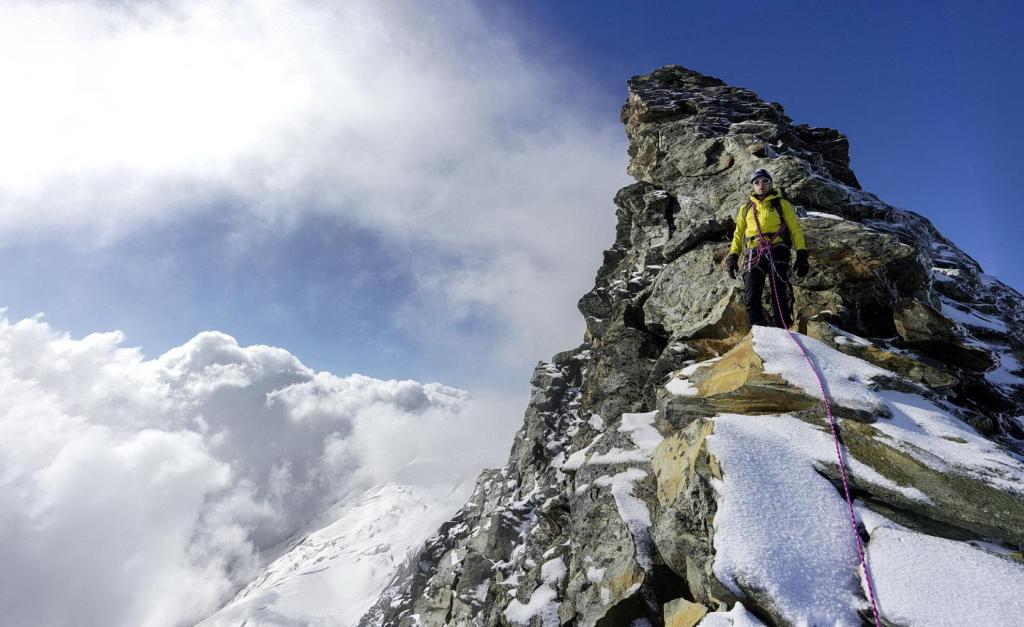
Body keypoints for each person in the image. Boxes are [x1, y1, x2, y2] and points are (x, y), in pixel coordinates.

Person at [725, 169, 809, 328]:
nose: (760, 185)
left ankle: (782, 330)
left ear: (771, 184)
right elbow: (738, 234)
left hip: (777, 249)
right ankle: (757, 333)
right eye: (756, 182)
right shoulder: (746, 208)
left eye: (764, 181)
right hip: (753, 251)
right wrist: (733, 256)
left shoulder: (781, 204)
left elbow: (795, 229)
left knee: (779, 293)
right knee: (751, 295)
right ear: (753, 187)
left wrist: (802, 254)